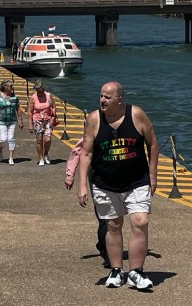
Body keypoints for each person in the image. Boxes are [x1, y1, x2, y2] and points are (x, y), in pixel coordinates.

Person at [77, 81, 158, 289]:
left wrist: (153, 174)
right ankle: (116, 270)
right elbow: (86, 153)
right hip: (105, 182)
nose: (102, 100)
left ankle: (136, 272)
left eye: (107, 97)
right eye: (101, 96)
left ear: (119, 99)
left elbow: (152, 143)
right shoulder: (94, 119)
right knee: (113, 225)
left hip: (136, 180)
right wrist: (82, 186)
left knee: (140, 221)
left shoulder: (136, 114)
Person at [65, 137, 109, 268]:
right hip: (97, 174)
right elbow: (78, 151)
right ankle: (106, 252)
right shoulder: (96, 126)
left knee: (115, 216)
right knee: (104, 215)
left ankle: (104, 245)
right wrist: (70, 174)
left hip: (117, 173)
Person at [0, 80, 24, 165]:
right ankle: (0, 151)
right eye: (10, 86)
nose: (12, 88)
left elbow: (18, 109)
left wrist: (20, 120)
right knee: (3, 139)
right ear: (5, 87)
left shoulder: (14, 97)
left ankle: (10, 158)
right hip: (1, 120)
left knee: (11, 138)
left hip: (12, 120)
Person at [27, 79, 57, 166]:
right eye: (38, 91)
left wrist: (53, 117)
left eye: (41, 91)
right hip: (37, 120)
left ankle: (46, 153)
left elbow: (54, 106)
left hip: (48, 120)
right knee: (39, 140)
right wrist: (30, 125)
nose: (39, 93)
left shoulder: (48, 96)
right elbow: (30, 111)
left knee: (47, 139)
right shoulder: (33, 98)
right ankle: (41, 158)